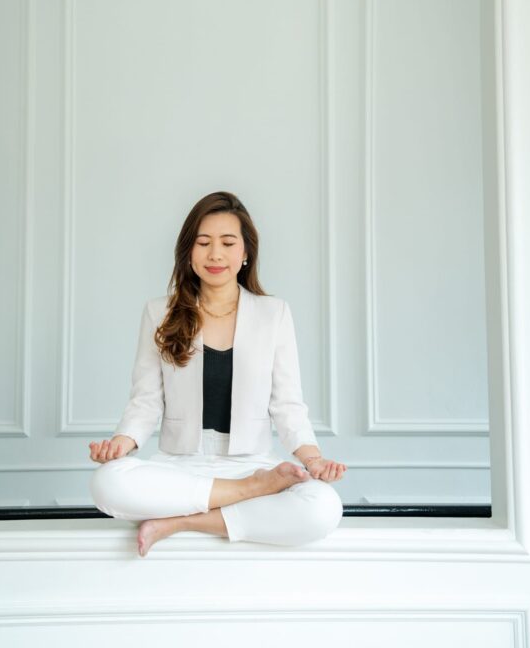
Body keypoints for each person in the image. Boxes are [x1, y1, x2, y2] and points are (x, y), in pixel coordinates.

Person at [88, 190, 346, 556]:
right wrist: (121, 443)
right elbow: (145, 402)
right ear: (188, 253)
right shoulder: (159, 313)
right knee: (107, 483)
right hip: (181, 465)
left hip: (252, 462)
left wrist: (313, 459)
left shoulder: (275, 314)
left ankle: (180, 521)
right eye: (203, 242)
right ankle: (249, 493)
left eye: (228, 242)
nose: (215, 254)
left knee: (323, 507)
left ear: (245, 254)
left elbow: (287, 404)